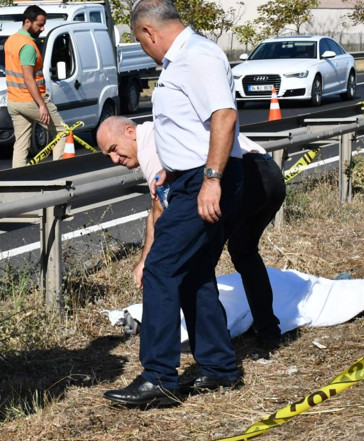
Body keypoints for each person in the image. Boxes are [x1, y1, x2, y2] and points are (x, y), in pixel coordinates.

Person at [102, 0, 244, 407]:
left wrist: (211, 179)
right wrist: (172, 170)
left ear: (148, 31)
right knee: (194, 272)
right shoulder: (178, 63)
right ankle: (219, 367)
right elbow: (186, 128)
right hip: (188, 177)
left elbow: (224, 116)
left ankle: (159, 377)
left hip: (206, 178)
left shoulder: (197, 56)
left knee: (161, 269)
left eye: (141, 42)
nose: (145, 50)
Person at [96, 116, 283, 343]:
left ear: (130, 132)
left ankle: (217, 346)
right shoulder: (162, 128)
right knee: (244, 251)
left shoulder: (150, 145)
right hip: (269, 174)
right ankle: (268, 331)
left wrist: (147, 259)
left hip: (241, 176)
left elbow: (159, 209)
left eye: (114, 149)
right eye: (108, 156)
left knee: (199, 265)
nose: (115, 159)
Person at [5, 5, 67, 167]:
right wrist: (41, 105)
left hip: (13, 100)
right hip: (30, 99)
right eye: (39, 25)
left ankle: (17, 179)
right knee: (62, 132)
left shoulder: (12, 40)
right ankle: (59, 171)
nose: (43, 28)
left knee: (21, 143)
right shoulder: (27, 46)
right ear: (27, 22)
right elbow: (28, 78)